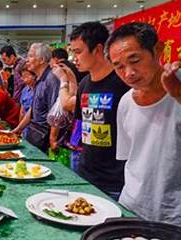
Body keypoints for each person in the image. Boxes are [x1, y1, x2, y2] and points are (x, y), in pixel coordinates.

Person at [106, 22, 181, 229]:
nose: (128, 73)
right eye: (119, 66)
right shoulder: (126, 102)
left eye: (135, 60)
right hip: (132, 209)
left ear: (158, 50)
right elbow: (131, 158)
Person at [52, 21, 130, 200]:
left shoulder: (122, 84)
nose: (74, 58)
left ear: (98, 49)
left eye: (78, 52)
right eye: (73, 52)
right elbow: (81, 125)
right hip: (86, 173)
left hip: (114, 181)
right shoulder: (85, 84)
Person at [12, 43, 60, 153]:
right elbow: (33, 109)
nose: (27, 60)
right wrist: (18, 129)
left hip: (44, 136)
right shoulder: (39, 79)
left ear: (42, 60)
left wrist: (53, 139)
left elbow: (56, 113)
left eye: (31, 56)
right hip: (34, 132)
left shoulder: (51, 79)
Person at [18, 65, 36, 139]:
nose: (24, 79)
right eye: (23, 77)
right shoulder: (25, 90)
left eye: (27, 76)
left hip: (35, 128)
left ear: (34, 75)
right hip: (25, 128)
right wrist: (20, 127)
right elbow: (22, 111)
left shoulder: (39, 90)